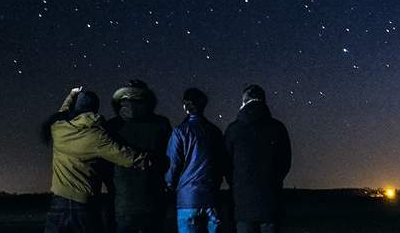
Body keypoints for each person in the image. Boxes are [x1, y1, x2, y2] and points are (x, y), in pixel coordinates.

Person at [42, 87, 149, 233]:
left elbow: (62, 111)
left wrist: (72, 94)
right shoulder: (97, 135)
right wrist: (147, 161)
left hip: (58, 204)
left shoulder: (58, 128)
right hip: (84, 206)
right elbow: (124, 156)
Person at [106, 80, 172, 233]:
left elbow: (104, 164)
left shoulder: (112, 126)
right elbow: (169, 158)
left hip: (122, 202)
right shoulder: (161, 123)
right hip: (153, 200)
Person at [224, 85, 291, 233]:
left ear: (244, 102)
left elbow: (226, 164)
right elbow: (285, 162)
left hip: (242, 203)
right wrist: (274, 179)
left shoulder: (233, 129)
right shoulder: (278, 128)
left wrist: (236, 183)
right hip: (271, 200)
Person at [166, 88, 226, 233]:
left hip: (188, 200)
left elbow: (173, 164)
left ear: (186, 106)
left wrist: (170, 184)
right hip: (211, 197)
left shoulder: (180, 132)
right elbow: (222, 163)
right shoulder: (215, 131)